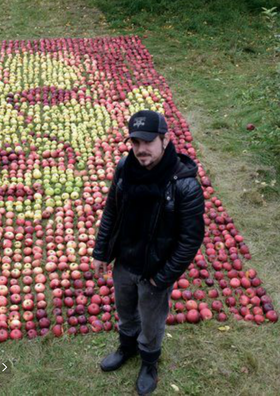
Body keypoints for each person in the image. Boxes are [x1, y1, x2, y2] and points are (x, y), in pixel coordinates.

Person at [91, 110, 205, 395]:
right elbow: (111, 211)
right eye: (135, 142)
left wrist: (162, 277)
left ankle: (149, 362)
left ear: (165, 139)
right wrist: (101, 251)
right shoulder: (124, 168)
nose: (141, 149)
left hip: (155, 269)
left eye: (148, 142)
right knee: (125, 311)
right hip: (125, 260)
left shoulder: (184, 184)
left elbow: (190, 240)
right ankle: (126, 348)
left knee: (152, 322)